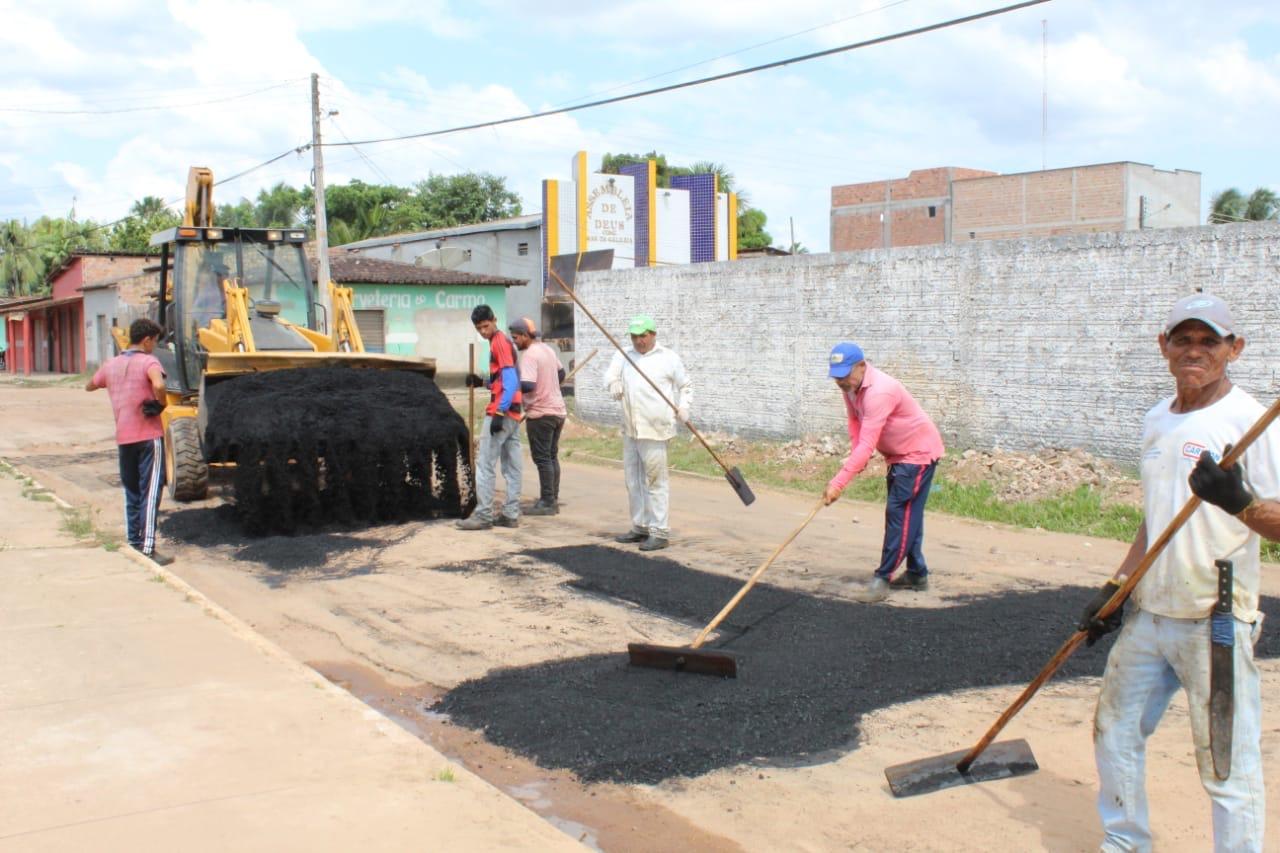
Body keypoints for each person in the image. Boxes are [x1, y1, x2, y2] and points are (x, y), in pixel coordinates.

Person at [1080, 294, 1280, 853]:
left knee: (1225, 760)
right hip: (1150, 613)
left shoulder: (1250, 420)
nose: (1194, 350)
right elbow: (1155, 520)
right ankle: (1124, 843)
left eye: (1209, 341)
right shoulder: (1155, 420)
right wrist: (1116, 590)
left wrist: (1238, 502)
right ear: (1163, 347)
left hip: (1214, 618)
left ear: (1233, 350)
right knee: (1115, 733)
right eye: (1183, 339)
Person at [822, 342, 945, 602]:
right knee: (909, 516)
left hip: (916, 455)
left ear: (862, 367)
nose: (841, 381)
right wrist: (858, 453)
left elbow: (868, 443)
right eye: (837, 376)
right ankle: (917, 573)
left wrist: (839, 482)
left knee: (898, 514)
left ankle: (883, 578)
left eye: (845, 374)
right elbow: (855, 421)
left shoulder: (880, 392)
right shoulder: (852, 388)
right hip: (899, 456)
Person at [85, 318, 173, 566]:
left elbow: (90, 385)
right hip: (148, 438)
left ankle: (134, 542)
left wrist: (115, 386)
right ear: (146, 340)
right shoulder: (148, 361)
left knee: (133, 491)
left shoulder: (111, 364)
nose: (154, 346)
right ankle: (147, 549)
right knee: (151, 492)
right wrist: (161, 404)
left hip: (124, 438)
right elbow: (158, 383)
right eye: (154, 342)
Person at [603, 314, 692, 552]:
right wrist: (613, 384)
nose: (638, 341)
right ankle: (640, 525)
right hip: (631, 428)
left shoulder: (668, 358)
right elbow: (609, 375)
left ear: (653, 334)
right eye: (634, 336)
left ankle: (659, 531)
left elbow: (685, 385)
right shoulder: (624, 355)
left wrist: (683, 407)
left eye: (643, 336)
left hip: (655, 429)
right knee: (632, 480)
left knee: (655, 481)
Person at [457, 304, 523, 530]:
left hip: (503, 412)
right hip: (514, 413)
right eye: (479, 329)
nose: (483, 332)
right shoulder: (501, 342)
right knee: (512, 467)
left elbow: (511, 380)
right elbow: (501, 381)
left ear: (494, 320)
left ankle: (483, 515)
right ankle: (510, 514)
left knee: (484, 463)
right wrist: (481, 382)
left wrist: (498, 411)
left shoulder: (499, 342)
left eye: (486, 326)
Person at [509, 317, 567, 516]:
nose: (514, 342)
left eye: (516, 338)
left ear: (526, 335)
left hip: (540, 413)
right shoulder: (547, 350)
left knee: (542, 458)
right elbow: (561, 373)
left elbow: (527, 385)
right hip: (558, 410)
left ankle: (548, 502)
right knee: (551, 456)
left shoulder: (530, 355)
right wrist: (549, 387)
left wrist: (507, 387)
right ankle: (552, 497)